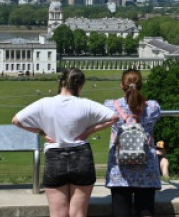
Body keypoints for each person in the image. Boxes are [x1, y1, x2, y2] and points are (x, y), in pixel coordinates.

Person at [12, 68, 117, 217]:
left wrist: (42, 133)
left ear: (61, 83)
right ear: (79, 86)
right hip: (81, 155)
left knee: (57, 213)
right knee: (78, 213)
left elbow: (16, 120)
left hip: (54, 155)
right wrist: (88, 132)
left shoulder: (44, 103)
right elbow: (114, 117)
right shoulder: (86, 104)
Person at [104, 69, 162, 217]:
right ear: (141, 85)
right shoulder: (153, 107)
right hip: (146, 169)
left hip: (119, 172)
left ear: (122, 86)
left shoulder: (110, 106)